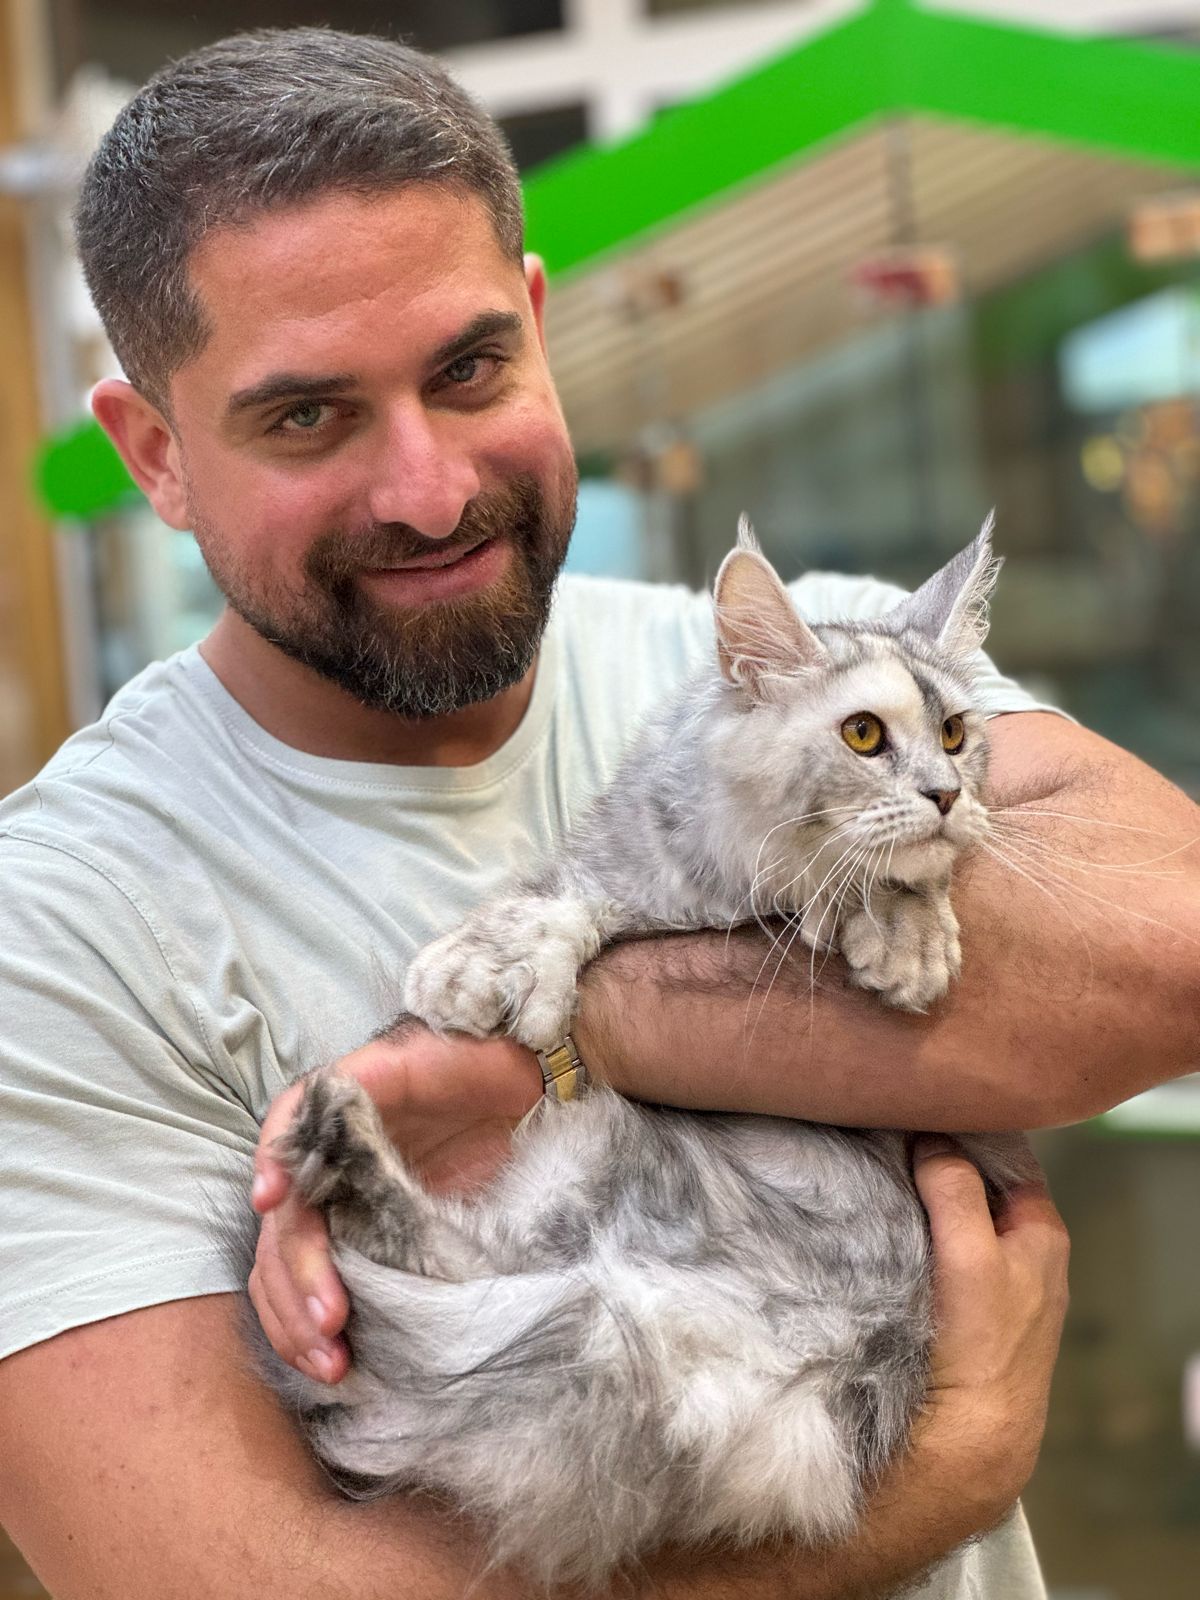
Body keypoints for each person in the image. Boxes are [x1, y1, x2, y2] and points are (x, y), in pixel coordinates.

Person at [0, 24, 1192, 1599]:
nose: (426, 488)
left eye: (469, 368)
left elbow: (1167, 953)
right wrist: (940, 1470)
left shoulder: (821, 653)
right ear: (152, 452)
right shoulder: (56, 931)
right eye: (308, 418)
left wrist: (574, 1036)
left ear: (542, 327)